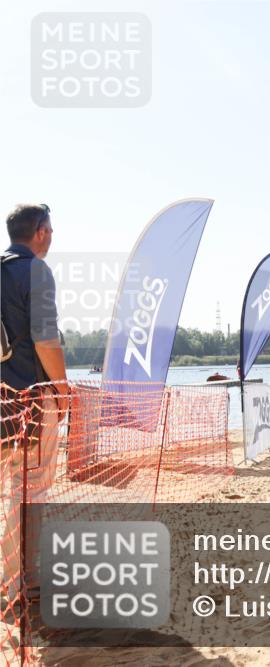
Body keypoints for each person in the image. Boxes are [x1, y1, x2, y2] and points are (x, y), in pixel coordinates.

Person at [0, 203, 68, 601]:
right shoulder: (36, 271)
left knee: (9, 489)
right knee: (31, 489)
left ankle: (13, 578)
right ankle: (22, 579)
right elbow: (46, 340)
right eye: (51, 229)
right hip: (31, 400)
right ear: (40, 232)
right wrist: (62, 389)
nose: (53, 236)